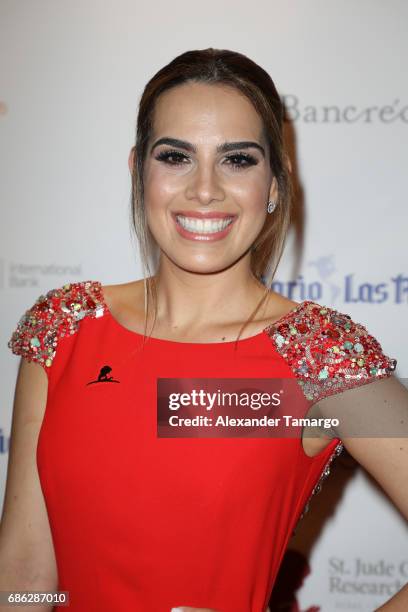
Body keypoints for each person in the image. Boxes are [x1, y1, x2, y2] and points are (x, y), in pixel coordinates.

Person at [1, 48, 407, 612]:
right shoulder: (64, 330)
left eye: (237, 160)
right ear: (139, 168)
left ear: (274, 181)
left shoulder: (315, 358)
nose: (205, 189)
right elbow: (24, 577)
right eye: (176, 157)